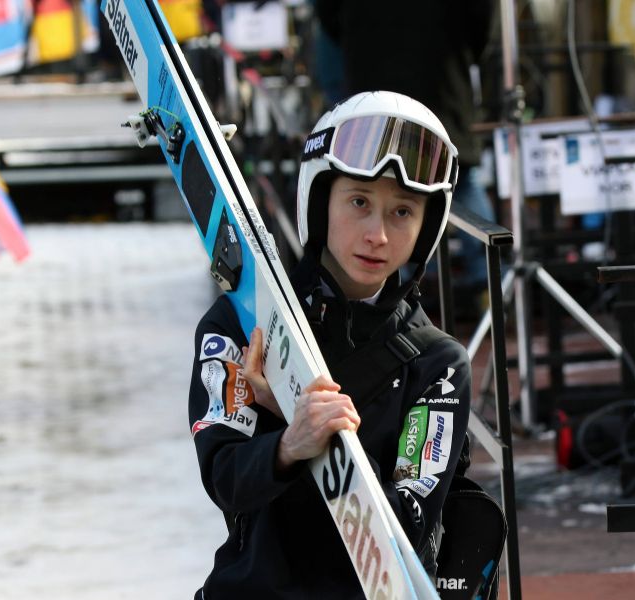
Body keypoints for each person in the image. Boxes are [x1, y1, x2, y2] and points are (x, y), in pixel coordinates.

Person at [188, 91, 472, 598]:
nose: (378, 235)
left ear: (425, 228)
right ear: (319, 203)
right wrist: (286, 442)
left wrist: (324, 435)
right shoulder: (243, 323)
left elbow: (407, 524)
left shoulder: (439, 364)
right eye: (359, 202)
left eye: (402, 212)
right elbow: (225, 480)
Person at [315, 0, 496, 315]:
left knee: (376, 184)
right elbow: (480, 19)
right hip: (439, 71)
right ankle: (491, 286)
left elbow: (328, 16)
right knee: (457, 182)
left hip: (372, 69)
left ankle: (404, 293)